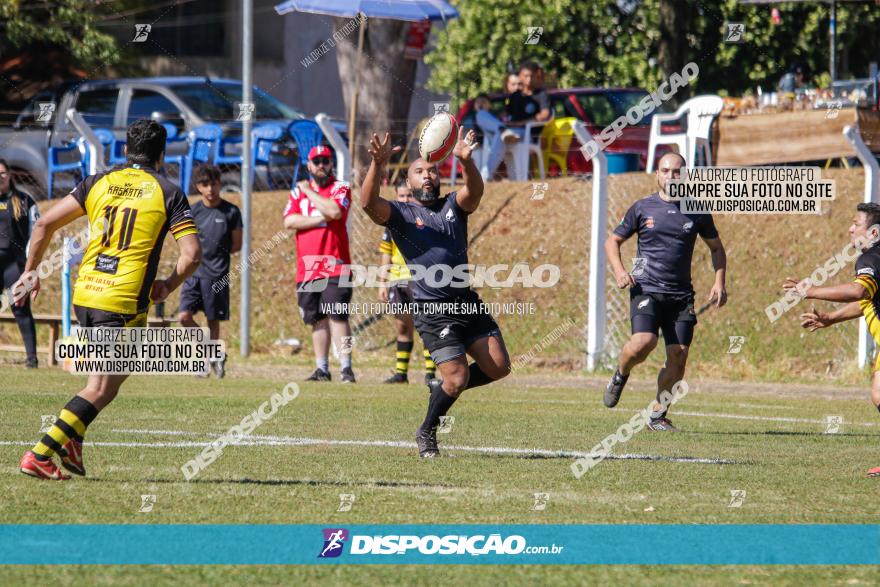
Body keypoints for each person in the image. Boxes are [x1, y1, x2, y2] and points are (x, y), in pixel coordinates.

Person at [16, 119, 201, 480]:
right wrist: (169, 283)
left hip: (86, 294)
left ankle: (73, 442)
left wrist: (31, 270)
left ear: (126, 150)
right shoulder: (167, 191)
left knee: (114, 376)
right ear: (161, 155)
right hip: (121, 299)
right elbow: (192, 254)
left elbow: (43, 224)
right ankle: (39, 454)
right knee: (100, 386)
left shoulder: (97, 182)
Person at [361, 129, 511, 458]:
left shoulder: (453, 206)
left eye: (432, 170)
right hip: (432, 310)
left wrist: (466, 162)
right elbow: (368, 203)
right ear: (409, 182)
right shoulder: (401, 214)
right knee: (456, 377)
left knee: (499, 367)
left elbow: (475, 191)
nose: (427, 175)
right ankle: (427, 431)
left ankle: (441, 387)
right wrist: (377, 164)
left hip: (466, 303)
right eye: (419, 171)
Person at [603, 152, 727, 431]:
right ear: (657, 175)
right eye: (666, 171)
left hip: (681, 295)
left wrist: (720, 281)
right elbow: (612, 242)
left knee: (679, 354)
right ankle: (621, 374)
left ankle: (657, 415)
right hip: (645, 288)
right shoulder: (642, 208)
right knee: (643, 342)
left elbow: (716, 248)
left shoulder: (698, 210)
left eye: (677, 172)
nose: (671, 176)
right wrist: (620, 272)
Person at [789, 203, 880, 477]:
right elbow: (866, 299)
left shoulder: (871, 259)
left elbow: (857, 290)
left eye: (856, 224)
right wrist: (832, 318)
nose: (850, 229)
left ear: (873, 232)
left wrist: (811, 290)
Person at [283, 145, 356, 383]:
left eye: (325, 161)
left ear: (331, 164)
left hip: (336, 265)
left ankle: (346, 368)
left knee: (338, 316)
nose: (321, 165)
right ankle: (322, 369)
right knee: (316, 318)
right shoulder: (296, 194)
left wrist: (310, 192)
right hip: (307, 269)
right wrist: (318, 218)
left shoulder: (340, 187)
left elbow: (334, 211)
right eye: (317, 161)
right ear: (309, 165)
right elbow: (289, 221)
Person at [177, 164, 242, 378]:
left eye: (213, 183)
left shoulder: (231, 212)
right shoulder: (192, 212)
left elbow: (236, 245)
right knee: (184, 317)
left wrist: (217, 259)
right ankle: (212, 353)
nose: (210, 189)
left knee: (213, 321)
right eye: (205, 184)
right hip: (192, 274)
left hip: (217, 276)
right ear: (198, 187)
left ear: (220, 184)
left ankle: (206, 363)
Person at [378, 181, 436, 384]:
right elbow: (386, 252)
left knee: (427, 326)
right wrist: (383, 282)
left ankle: (431, 374)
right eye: (401, 196)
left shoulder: (427, 219)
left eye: (409, 195)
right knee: (403, 327)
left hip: (421, 280)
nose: (405, 199)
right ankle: (401, 373)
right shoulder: (392, 222)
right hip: (398, 280)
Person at [0, 159, 39, 368]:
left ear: (10, 175)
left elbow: (36, 233)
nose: (0, 177)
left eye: (3, 173)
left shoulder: (24, 200)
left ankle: (32, 358)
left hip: (14, 265)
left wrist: (31, 266)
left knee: (21, 310)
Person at [504, 61, 552, 141]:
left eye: (531, 76)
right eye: (526, 76)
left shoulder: (541, 94)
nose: (529, 79)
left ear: (536, 76)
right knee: (482, 116)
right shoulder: (514, 95)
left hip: (529, 134)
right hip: (512, 131)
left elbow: (545, 114)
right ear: (520, 76)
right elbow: (506, 113)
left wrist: (521, 123)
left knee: (505, 135)